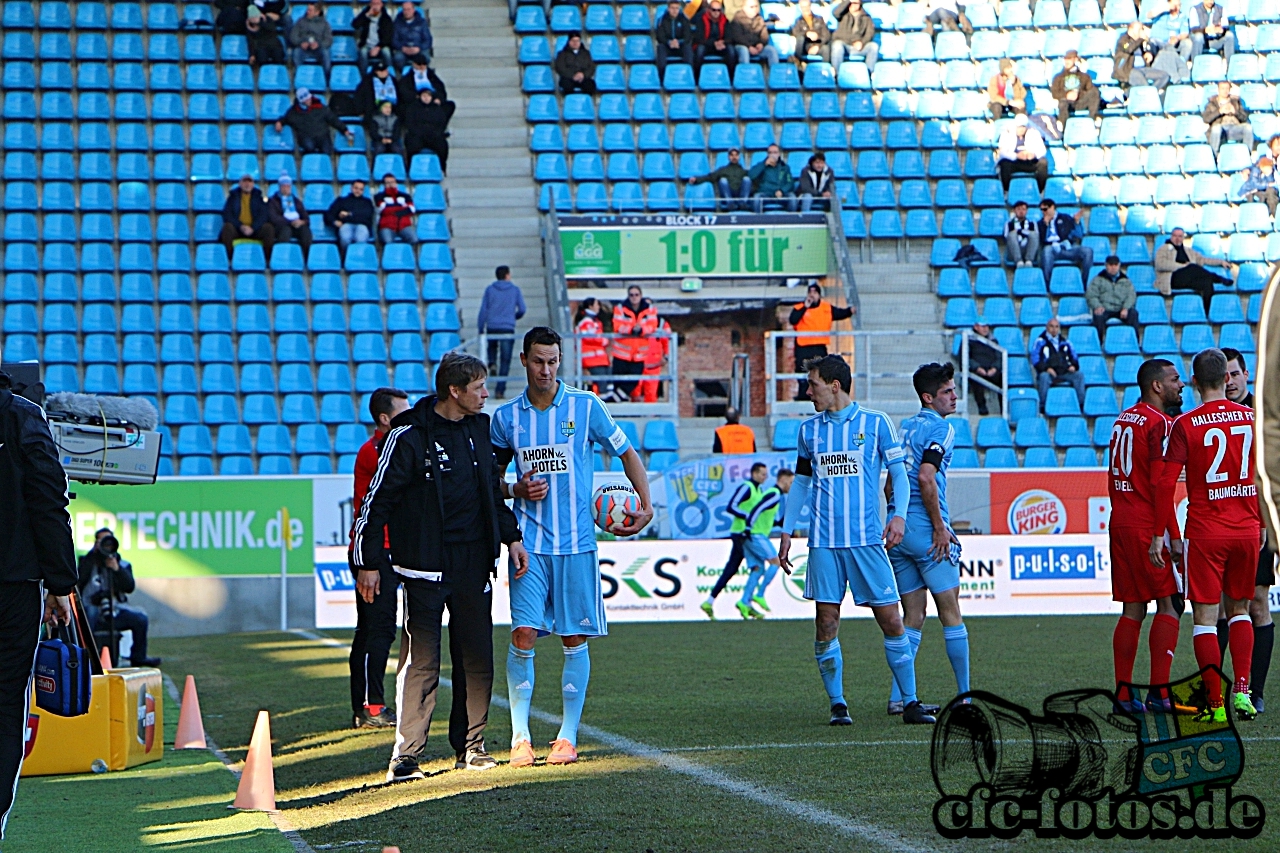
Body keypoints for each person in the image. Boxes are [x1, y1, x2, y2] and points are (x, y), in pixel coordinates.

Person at [354, 353, 529, 780]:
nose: (486, 395)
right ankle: (407, 756)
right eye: (479, 388)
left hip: (473, 564)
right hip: (424, 569)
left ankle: (471, 746)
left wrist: (511, 536)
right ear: (455, 391)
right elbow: (376, 504)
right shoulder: (408, 435)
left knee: (476, 658)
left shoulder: (481, 429)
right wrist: (367, 562)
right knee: (421, 663)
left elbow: (491, 489)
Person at [492, 327, 654, 767]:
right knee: (523, 633)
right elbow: (486, 480)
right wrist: (514, 489)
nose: (546, 370)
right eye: (539, 361)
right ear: (523, 359)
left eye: (553, 361)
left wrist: (646, 504)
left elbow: (627, 453)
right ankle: (519, 737)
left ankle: (566, 736)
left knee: (573, 635)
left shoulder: (586, 407)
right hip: (528, 546)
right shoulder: (506, 419)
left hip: (577, 545)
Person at [778, 354, 936, 726]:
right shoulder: (809, 431)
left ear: (834, 385)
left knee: (891, 620)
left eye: (813, 384)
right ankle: (838, 704)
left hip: (866, 540)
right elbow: (801, 482)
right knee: (826, 622)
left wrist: (898, 514)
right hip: (824, 544)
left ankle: (909, 702)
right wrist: (786, 530)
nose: (808, 391)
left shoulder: (876, 423)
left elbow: (899, 470)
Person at [1153, 348, 1264, 721]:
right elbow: (1265, 477)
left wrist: (1161, 535)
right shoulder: (1250, 418)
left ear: (1196, 382)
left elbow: (1166, 484)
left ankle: (1215, 704)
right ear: (1227, 379)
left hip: (1205, 532)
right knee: (1241, 610)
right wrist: (1264, 524)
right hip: (1247, 529)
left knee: (1204, 616)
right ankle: (1244, 693)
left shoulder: (1185, 424)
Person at [0, 371, 78, 840]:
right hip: (13, 586)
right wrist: (60, 585)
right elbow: (49, 503)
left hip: (17, 581)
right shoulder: (23, 417)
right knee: (7, 703)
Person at [885, 363, 969, 715]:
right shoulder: (941, 428)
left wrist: (895, 516)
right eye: (948, 391)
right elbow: (925, 476)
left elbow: (892, 480)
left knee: (913, 614)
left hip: (898, 529)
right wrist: (938, 527)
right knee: (951, 611)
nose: (955, 396)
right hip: (925, 529)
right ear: (928, 397)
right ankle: (965, 697)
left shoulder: (905, 427)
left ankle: (900, 697)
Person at [1108, 359, 1186, 712]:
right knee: (1170, 604)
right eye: (1174, 379)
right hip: (1144, 524)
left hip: (1120, 519)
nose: (1180, 385)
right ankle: (1160, 693)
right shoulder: (1160, 424)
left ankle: (1123, 694)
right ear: (1157, 386)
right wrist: (1170, 535)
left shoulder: (1123, 419)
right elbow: (1159, 485)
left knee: (1133, 607)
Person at [1216, 349, 1275, 713]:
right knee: (1219, 610)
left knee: (1256, 603)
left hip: (1257, 526)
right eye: (1224, 377)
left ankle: (1257, 690)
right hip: (1219, 529)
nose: (1231, 382)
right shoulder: (1212, 419)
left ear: (1246, 374)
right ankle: (1220, 690)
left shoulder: (1262, 416)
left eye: (1235, 374)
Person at [348, 387, 410, 729]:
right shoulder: (376, 452)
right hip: (375, 551)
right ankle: (372, 707)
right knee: (379, 629)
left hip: (381, 548)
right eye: (403, 412)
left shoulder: (377, 449)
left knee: (369, 629)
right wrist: (369, 563)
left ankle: (362, 706)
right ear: (385, 419)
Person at [76, 529, 159, 667]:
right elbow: (79, 583)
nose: (105, 546)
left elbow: (129, 587)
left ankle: (139, 657)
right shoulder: (87, 562)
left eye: (108, 542)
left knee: (140, 618)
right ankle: (85, 656)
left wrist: (116, 568)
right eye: (101, 541)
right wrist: (93, 556)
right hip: (90, 611)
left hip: (115, 610)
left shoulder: (122, 564)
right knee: (89, 612)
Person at [703, 462, 768, 620]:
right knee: (757, 566)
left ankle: (711, 601)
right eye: (761, 474)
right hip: (741, 533)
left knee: (733, 568)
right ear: (753, 473)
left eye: (765, 475)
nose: (764, 477)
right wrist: (747, 517)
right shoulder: (747, 487)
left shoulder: (759, 489)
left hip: (747, 533)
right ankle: (746, 602)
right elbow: (731, 506)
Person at [737, 465, 790, 618]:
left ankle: (744, 601)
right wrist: (748, 527)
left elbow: (762, 516)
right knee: (776, 562)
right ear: (784, 480)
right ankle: (759, 594)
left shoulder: (773, 494)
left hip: (751, 533)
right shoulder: (774, 494)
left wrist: (777, 523)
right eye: (791, 482)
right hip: (754, 534)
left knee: (757, 569)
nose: (791, 486)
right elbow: (756, 509)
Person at [789, 283, 853, 400]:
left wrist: (850, 311)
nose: (812, 295)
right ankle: (804, 396)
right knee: (803, 373)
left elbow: (840, 313)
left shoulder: (826, 308)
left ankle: (820, 395)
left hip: (819, 347)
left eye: (815, 292)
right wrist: (805, 307)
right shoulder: (799, 307)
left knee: (820, 373)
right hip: (803, 347)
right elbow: (793, 320)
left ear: (819, 295)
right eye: (810, 292)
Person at [477, 266, 527, 399]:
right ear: (507, 275)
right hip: (507, 327)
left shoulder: (489, 290)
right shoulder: (515, 290)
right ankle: (500, 390)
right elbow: (522, 309)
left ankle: (492, 362)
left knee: (491, 348)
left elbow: (483, 310)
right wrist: (512, 317)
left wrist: (481, 328)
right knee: (505, 360)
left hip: (492, 326)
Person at [1155, 227, 1233, 311]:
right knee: (1192, 266)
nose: (1177, 239)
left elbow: (1203, 260)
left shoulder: (1188, 251)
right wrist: (1183, 266)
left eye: (1180, 236)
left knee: (1207, 283)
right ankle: (1218, 278)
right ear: (1171, 237)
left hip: (1188, 279)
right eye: (1175, 236)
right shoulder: (1163, 249)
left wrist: (1221, 262)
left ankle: (1206, 312)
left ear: (1183, 238)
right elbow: (1160, 264)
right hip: (1172, 279)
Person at [610, 286, 658, 401]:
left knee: (633, 382)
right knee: (618, 382)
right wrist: (632, 329)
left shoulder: (650, 309)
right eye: (631, 295)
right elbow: (617, 326)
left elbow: (652, 327)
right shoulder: (620, 308)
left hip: (639, 355)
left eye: (636, 295)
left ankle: (614, 400)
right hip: (621, 354)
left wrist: (641, 330)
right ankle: (617, 404)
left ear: (641, 296)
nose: (634, 297)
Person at [275, 87, 354, 155]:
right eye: (306, 99)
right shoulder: (294, 112)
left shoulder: (320, 107)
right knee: (309, 147)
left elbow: (333, 119)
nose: (309, 100)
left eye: (309, 98)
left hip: (322, 136)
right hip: (306, 137)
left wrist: (344, 129)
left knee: (327, 151)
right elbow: (285, 118)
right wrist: (279, 122)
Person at [1031, 316, 1086, 412]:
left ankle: (1081, 405)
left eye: (1056, 327)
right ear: (1047, 327)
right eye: (1051, 326)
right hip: (1048, 372)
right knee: (1044, 377)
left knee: (1079, 375)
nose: (1054, 329)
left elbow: (1074, 357)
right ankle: (1042, 407)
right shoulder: (1040, 341)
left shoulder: (1065, 342)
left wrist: (1073, 366)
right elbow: (1035, 359)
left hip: (1064, 372)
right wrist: (1047, 368)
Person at [219, 174, 276, 263]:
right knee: (227, 227)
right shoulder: (233, 197)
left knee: (268, 228)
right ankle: (229, 259)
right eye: (245, 182)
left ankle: (266, 259)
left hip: (254, 229)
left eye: (250, 182)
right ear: (240, 184)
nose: (247, 184)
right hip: (238, 229)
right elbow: (227, 215)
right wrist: (241, 226)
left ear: (253, 184)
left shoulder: (258, 197)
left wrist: (253, 228)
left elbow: (264, 215)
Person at [1038, 198, 1092, 287]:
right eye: (1042, 210)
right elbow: (1042, 240)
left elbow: (1079, 235)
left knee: (1088, 251)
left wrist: (1076, 222)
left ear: (1052, 207)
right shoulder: (1040, 223)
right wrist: (1045, 225)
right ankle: (1046, 284)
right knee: (1047, 251)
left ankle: (1085, 282)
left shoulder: (1066, 218)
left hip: (1068, 247)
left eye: (1045, 209)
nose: (1043, 212)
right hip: (1052, 249)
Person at [403, 87, 455, 174]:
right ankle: (411, 168)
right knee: (412, 145)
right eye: (424, 96)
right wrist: (418, 132)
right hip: (417, 135)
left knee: (442, 145)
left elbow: (441, 124)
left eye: (428, 96)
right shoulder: (412, 108)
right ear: (420, 97)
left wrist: (435, 133)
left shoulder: (437, 109)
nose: (426, 98)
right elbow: (410, 123)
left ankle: (442, 168)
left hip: (433, 135)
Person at [1087, 255, 1140, 339]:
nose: (1113, 267)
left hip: (1121, 309)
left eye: (1115, 265)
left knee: (1133, 314)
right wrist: (1097, 306)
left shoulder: (1126, 281)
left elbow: (1131, 295)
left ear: (1119, 265)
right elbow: (1091, 295)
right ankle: (1098, 343)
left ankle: (1134, 341)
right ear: (1106, 265)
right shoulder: (1098, 279)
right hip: (1105, 308)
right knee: (1098, 315)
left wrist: (1126, 308)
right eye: (1111, 265)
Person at [1113, 21, 1171, 92]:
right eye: (1139, 29)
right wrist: (1141, 39)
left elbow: (1147, 49)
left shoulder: (1139, 41)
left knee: (1164, 76)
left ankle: (1150, 92)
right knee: (1144, 86)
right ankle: (1142, 93)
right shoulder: (1123, 39)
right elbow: (1129, 49)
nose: (1141, 31)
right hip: (1129, 70)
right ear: (1131, 30)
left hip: (1143, 69)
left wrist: (1148, 53)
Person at [996, 115, 1048, 193]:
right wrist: (1016, 156)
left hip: (1029, 161)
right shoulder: (1006, 133)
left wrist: (1033, 155)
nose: (1021, 129)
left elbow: (1042, 150)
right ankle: (1006, 191)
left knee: (1043, 163)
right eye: (1019, 127)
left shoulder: (1034, 132)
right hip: (1014, 161)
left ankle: (1040, 190)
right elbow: (1002, 152)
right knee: (1004, 164)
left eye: (1023, 127)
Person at [1050, 50, 1100, 128]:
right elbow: (1054, 93)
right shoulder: (1058, 77)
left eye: (1069, 59)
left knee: (1095, 92)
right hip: (1067, 103)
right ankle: (1065, 129)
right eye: (1065, 59)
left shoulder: (1084, 77)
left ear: (1075, 60)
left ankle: (1091, 122)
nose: (1067, 61)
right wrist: (1067, 95)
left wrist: (1078, 94)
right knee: (1063, 103)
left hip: (1080, 102)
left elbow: (1090, 90)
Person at [325, 179, 376, 255]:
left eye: (361, 189)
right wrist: (335, 221)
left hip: (362, 225)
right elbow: (328, 215)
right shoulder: (341, 201)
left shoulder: (367, 202)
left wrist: (348, 214)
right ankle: (347, 257)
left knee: (360, 238)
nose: (358, 191)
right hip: (346, 225)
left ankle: (357, 257)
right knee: (345, 236)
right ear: (351, 188)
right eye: (356, 188)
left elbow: (367, 215)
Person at [267, 174, 313, 255]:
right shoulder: (273, 201)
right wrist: (290, 222)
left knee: (305, 231)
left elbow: (306, 217)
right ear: (280, 187)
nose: (286, 189)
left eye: (288, 186)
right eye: (283, 186)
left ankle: (305, 257)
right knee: (285, 231)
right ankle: (282, 256)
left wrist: (302, 222)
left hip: (296, 226)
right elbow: (273, 218)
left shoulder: (296, 201)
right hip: (281, 226)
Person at [1203, 80, 1252, 155]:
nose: (1225, 91)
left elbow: (1244, 118)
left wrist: (1235, 112)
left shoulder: (1236, 101)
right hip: (1221, 129)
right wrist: (1219, 111)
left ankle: (1246, 155)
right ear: (1218, 90)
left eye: (1227, 88)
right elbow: (1206, 119)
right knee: (1216, 128)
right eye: (1223, 88)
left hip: (1235, 128)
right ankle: (1213, 156)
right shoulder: (1211, 103)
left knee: (1248, 127)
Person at [1150, 0, 1193, 84]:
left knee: (1187, 43)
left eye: (1179, 5)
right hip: (1158, 41)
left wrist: (1177, 38)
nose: (1177, 7)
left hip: (1174, 43)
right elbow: (1149, 15)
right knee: (1152, 42)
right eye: (1175, 5)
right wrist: (1165, 8)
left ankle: (1181, 63)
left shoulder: (1182, 17)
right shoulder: (1161, 14)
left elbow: (1185, 32)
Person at [964, 321, 1002, 416]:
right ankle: (982, 408)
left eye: (987, 326)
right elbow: (965, 357)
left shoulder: (993, 340)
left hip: (991, 370)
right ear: (976, 327)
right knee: (976, 380)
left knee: (1002, 379)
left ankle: (1004, 409)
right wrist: (977, 367)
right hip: (977, 371)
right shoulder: (968, 340)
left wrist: (994, 368)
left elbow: (999, 356)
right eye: (982, 326)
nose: (985, 329)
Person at [574, 298, 611, 393]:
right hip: (592, 361)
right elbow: (592, 338)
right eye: (597, 304)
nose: (599, 307)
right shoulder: (586, 322)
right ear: (590, 306)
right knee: (602, 388)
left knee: (607, 386)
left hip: (599, 360)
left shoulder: (594, 321)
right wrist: (604, 340)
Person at [728, 0, 779, 69]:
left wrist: (761, 44)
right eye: (751, 7)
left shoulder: (760, 19)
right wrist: (749, 47)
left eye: (756, 6)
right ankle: (746, 76)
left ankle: (776, 75)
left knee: (771, 50)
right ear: (744, 7)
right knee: (744, 51)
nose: (754, 9)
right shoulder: (737, 19)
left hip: (757, 47)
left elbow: (764, 35)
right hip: (742, 46)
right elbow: (737, 37)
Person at [831, 0, 878, 72]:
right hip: (845, 45)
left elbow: (870, 33)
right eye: (850, 3)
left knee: (873, 46)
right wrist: (847, 1)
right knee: (837, 45)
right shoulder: (843, 14)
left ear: (860, 4)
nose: (852, 5)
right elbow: (835, 13)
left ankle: (868, 73)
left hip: (859, 47)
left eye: (855, 3)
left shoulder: (866, 17)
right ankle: (836, 74)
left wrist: (862, 42)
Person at [748, 144, 797, 212]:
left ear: (779, 154)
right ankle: (758, 221)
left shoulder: (785, 167)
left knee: (792, 197)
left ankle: (792, 220)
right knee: (757, 197)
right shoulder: (761, 165)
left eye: (775, 152)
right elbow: (751, 176)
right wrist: (764, 164)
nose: (772, 155)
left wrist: (782, 191)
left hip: (781, 195)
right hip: (766, 194)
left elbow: (790, 183)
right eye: (770, 152)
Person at [635, 316, 671, 403]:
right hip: (637, 363)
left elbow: (668, 340)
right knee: (635, 394)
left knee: (651, 395)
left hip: (654, 365)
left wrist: (666, 357)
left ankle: (651, 416)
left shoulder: (661, 323)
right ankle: (635, 415)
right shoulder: (636, 319)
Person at [374, 173, 418, 245]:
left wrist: (391, 208)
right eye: (388, 183)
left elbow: (412, 210)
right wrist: (402, 208)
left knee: (414, 239)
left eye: (392, 182)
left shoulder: (405, 196)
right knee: (387, 241)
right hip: (387, 226)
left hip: (404, 225)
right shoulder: (379, 196)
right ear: (384, 185)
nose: (391, 184)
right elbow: (383, 210)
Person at [290, 2, 333, 74]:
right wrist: (300, 43)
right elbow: (293, 36)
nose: (307, 12)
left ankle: (326, 79)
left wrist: (318, 44)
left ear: (317, 12)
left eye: (310, 10)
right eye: (307, 10)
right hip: (303, 48)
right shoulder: (300, 21)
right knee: (296, 52)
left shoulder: (325, 24)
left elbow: (328, 40)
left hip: (318, 49)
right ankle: (298, 76)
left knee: (325, 53)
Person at [694, 1, 735, 73]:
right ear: (709, 9)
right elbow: (699, 38)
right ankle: (697, 76)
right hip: (707, 45)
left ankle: (730, 76)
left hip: (721, 45)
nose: (716, 12)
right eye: (714, 10)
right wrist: (713, 43)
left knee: (730, 50)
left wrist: (723, 42)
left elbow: (730, 37)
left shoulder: (725, 20)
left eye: (719, 10)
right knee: (700, 49)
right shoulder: (701, 20)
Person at [354, 0, 395, 73]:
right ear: (370, 5)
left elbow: (388, 37)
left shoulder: (386, 18)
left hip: (381, 46)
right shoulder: (365, 15)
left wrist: (378, 47)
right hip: (367, 45)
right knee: (363, 52)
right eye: (373, 4)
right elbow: (355, 25)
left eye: (377, 4)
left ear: (381, 5)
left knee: (387, 52)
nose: (375, 6)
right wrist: (367, 15)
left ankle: (390, 74)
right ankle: (364, 76)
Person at [654, 0, 694, 73]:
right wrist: (669, 42)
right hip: (667, 46)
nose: (674, 11)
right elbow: (660, 36)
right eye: (672, 8)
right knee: (660, 48)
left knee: (688, 48)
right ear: (668, 9)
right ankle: (662, 77)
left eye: (676, 8)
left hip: (680, 46)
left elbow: (688, 36)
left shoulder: (684, 20)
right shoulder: (662, 20)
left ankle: (689, 74)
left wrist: (678, 42)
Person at [392, 0, 431, 72]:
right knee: (398, 58)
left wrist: (419, 48)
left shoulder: (422, 22)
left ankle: (421, 75)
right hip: (403, 49)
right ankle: (405, 76)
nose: (406, 12)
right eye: (404, 9)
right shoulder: (397, 23)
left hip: (419, 48)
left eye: (409, 9)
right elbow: (394, 40)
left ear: (413, 10)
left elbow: (428, 40)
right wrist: (402, 48)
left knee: (426, 57)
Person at [791, 0, 831, 68]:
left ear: (810, 6)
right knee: (800, 38)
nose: (806, 9)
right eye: (803, 7)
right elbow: (795, 32)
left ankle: (825, 71)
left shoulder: (819, 19)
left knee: (826, 48)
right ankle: (798, 65)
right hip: (805, 46)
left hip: (818, 45)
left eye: (807, 6)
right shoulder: (798, 21)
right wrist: (806, 34)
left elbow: (826, 35)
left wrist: (818, 46)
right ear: (800, 8)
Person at [1004, 200, 1040, 268]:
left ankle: (1029, 260)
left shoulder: (1032, 223)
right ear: (1014, 211)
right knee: (1011, 234)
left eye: (1023, 209)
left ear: (1026, 211)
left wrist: (1021, 232)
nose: (1021, 211)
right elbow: (1007, 238)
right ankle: (1018, 261)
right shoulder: (1009, 224)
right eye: (1018, 209)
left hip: (1029, 250)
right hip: (1014, 252)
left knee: (1034, 234)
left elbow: (1036, 238)